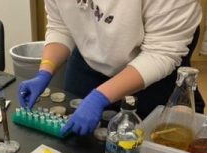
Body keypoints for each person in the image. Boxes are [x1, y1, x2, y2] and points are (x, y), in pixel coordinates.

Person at [18, 0, 204, 136]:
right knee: (77, 139)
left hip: (150, 71)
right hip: (88, 59)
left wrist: (99, 97)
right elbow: (61, 26)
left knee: (141, 145)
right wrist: (45, 70)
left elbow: (161, 53)